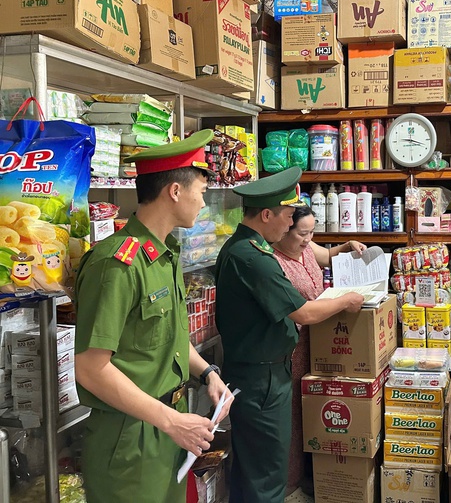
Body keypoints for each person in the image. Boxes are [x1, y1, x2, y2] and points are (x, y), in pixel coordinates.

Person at [75, 130, 232, 503]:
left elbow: (169, 338)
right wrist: (171, 421)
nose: (203, 201)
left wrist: (208, 373)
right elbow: (91, 369)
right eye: (201, 191)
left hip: (169, 425)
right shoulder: (117, 264)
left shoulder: (164, 254)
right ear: (175, 191)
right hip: (130, 436)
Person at [214, 167, 364, 503]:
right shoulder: (254, 258)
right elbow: (304, 313)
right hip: (262, 379)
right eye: (286, 217)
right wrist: (347, 301)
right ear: (267, 215)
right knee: (267, 473)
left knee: (254, 467)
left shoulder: (244, 248)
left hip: (260, 371)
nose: (288, 225)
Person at [272, 206, 367, 498]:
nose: (308, 239)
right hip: (292, 348)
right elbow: (303, 313)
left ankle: (317, 475)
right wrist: (344, 301)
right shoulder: (273, 262)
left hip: (320, 342)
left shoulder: (306, 246)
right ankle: (290, 485)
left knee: (316, 412)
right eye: (303, 233)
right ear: (283, 230)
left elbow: (325, 255)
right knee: (294, 417)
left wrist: (346, 246)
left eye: (312, 232)